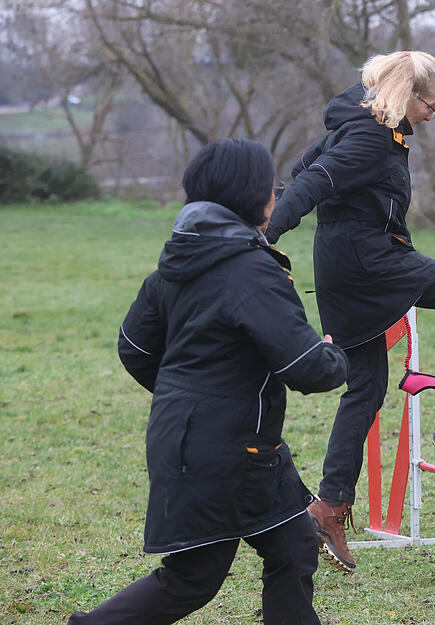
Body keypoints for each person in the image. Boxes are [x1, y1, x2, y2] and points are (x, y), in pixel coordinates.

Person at [67, 139, 349, 625]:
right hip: (228, 451)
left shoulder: (177, 263)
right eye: (271, 188)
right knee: (193, 578)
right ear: (248, 198)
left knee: (294, 547)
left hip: (208, 442)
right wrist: (335, 355)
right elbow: (308, 367)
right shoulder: (250, 270)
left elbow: (134, 349)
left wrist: (191, 399)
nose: (276, 197)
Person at [264, 51, 435, 575]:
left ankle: (329, 507)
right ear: (407, 93)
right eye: (433, 103)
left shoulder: (361, 126)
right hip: (368, 261)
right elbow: (308, 186)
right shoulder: (369, 139)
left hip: (341, 265)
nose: (434, 113)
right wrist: (263, 239)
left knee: (367, 388)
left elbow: (301, 169)